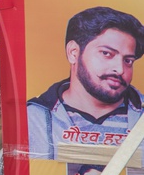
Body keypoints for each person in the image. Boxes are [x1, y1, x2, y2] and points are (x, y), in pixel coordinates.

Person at [28, 8, 144, 160]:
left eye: (128, 60)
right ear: (73, 52)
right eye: (107, 53)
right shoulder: (33, 118)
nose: (120, 69)